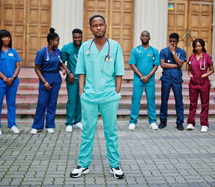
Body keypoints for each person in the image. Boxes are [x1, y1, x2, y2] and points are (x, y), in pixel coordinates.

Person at [70, 14, 125, 179]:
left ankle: (115, 165)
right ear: (91, 28)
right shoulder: (85, 47)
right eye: (95, 25)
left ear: (106, 26)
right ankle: (83, 164)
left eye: (101, 24)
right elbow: (81, 72)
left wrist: (116, 93)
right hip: (89, 97)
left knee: (111, 132)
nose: (99, 28)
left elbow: (119, 72)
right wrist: (81, 92)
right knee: (87, 131)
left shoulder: (114, 46)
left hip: (109, 96)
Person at [30, 28, 71, 134]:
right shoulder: (42, 52)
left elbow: (60, 64)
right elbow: (37, 68)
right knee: (42, 102)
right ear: (51, 41)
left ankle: (50, 125)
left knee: (52, 103)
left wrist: (63, 70)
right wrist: (44, 82)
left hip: (56, 78)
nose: (58, 43)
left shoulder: (58, 52)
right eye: (57, 41)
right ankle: (37, 126)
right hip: (45, 77)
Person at [0, 30, 21, 135]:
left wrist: (12, 78)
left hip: (13, 82)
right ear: (0, 39)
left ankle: (12, 125)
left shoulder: (14, 52)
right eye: (4, 37)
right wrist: (5, 79)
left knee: (11, 104)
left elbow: (18, 66)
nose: (6, 39)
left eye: (8, 37)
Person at [128, 31, 160, 130]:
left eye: (146, 36)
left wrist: (148, 76)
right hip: (138, 80)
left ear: (149, 38)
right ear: (140, 38)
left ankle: (153, 121)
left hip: (150, 80)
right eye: (143, 36)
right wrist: (142, 76)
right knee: (136, 99)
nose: (144, 37)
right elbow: (132, 64)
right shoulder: (135, 50)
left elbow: (156, 65)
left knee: (151, 100)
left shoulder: (154, 51)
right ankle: (133, 122)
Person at [159, 33, 187, 130]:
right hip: (166, 78)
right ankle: (163, 120)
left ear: (178, 41)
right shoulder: (163, 51)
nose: (172, 43)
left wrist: (173, 53)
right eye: (170, 41)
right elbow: (162, 64)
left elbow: (181, 63)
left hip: (177, 79)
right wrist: (176, 65)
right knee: (164, 100)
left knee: (179, 101)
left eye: (174, 41)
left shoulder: (182, 52)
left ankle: (179, 122)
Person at [186, 38, 214, 132]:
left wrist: (205, 75)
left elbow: (212, 69)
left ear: (203, 46)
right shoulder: (192, 57)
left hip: (204, 83)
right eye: (196, 46)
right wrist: (190, 76)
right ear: (194, 47)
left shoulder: (206, 57)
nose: (198, 48)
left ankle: (204, 124)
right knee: (192, 104)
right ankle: (190, 123)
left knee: (205, 104)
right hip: (193, 83)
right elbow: (189, 70)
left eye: (200, 46)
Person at [61, 28, 83, 133]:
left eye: (79, 37)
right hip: (72, 79)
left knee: (81, 100)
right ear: (72, 37)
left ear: (82, 37)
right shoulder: (67, 48)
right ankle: (69, 122)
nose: (77, 39)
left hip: (83, 79)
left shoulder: (86, 47)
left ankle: (77, 121)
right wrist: (68, 73)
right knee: (72, 100)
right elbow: (61, 62)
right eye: (75, 37)